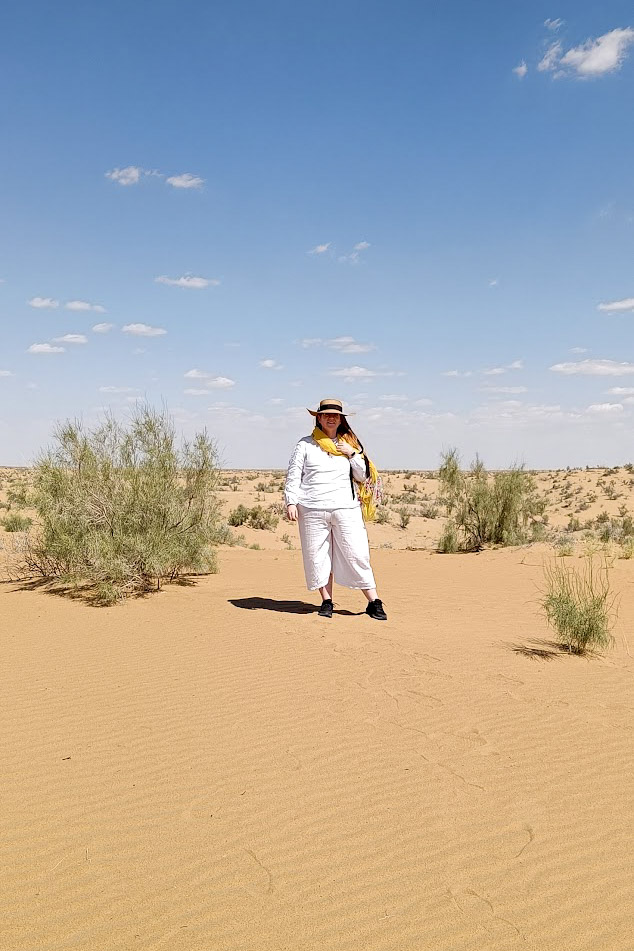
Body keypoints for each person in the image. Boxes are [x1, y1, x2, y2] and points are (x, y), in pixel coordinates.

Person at [284, 397, 387, 620]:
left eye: (335, 415)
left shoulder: (350, 444)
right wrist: (291, 501)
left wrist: (351, 453)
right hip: (311, 508)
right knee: (317, 556)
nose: (331, 418)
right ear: (318, 418)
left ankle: (374, 602)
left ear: (341, 419)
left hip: (346, 508)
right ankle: (326, 601)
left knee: (356, 553)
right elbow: (293, 475)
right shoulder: (305, 444)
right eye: (326, 414)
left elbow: (362, 476)